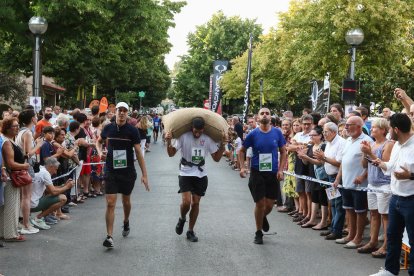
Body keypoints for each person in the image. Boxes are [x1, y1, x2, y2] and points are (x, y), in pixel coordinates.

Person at [96, 102, 149, 248]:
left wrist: (145, 175)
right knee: (111, 202)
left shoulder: (132, 131)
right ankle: (109, 236)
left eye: (125, 111)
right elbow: (98, 142)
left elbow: (138, 153)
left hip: (127, 171)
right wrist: (100, 153)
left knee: (126, 201)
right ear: (115, 111)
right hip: (111, 170)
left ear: (127, 113)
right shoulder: (108, 128)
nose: (121, 113)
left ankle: (126, 221)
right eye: (119, 110)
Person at [165, 117, 226, 242]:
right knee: (186, 202)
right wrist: (168, 142)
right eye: (195, 131)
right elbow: (171, 154)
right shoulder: (183, 137)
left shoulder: (207, 139)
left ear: (203, 129)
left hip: (201, 174)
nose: (197, 134)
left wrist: (223, 145)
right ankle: (182, 218)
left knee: (196, 203)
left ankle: (190, 231)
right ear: (191, 128)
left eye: (199, 131)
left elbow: (217, 158)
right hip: (185, 172)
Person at [370, 113, 414, 276]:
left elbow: (407, 173)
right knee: (392, 236)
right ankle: (390, 270)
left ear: (396, 129)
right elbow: (391, 166)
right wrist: (378, 161)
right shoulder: (396, 145)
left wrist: (409, 176)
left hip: (411, 200)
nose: (388, 132)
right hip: (395, 197)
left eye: (389, 128)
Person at [238, 107, 287, 244]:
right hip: (257, 171)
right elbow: (241, 151)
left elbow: (284, 152)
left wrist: (281, 170)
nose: (265, 115)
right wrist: (242, 167)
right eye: (262, 113)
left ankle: (262, 217)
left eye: (267, 113)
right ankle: (258, 232)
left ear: (270, 117)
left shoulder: (277, 133)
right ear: (258, 117)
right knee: (260, 203)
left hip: (272, 173)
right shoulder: (253, 134)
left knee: (270, 205)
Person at [333, 116, 372, 248]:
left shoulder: (367, 140)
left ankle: (358, 238)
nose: (346, 127)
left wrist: (363, 176)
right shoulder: (348, 140)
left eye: (350, 125)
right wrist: (338, 179)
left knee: (360, 212)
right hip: (346, 183)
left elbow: (372, 163)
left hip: (360, 185)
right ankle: (351, 234)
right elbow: (343, 162)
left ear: (359, 126)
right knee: (349, 210)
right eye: (346, 125)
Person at [359, 118, 394, 257]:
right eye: (372, 127)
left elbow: (385, 164)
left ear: (383, 130)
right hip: (372, 183)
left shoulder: (388, 144)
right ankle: (373, 241)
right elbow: (363, 165)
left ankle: (386, 245)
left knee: (385, 216)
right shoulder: (372, 143)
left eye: (374, 127)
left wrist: (371, 153)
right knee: (373, 213)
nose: (372, 129)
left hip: (384, 184)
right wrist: (364, 152)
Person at [314, 122, 346, 240]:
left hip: (338, 177)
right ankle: (333, 228)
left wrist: (324, 158)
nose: (324, 134)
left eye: (325, 132)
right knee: (332, 203)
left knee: (338, 204)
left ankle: (337, 230)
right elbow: (325, 160)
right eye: (323, 132)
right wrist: (320, 158)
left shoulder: (341, 143)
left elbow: (339, 163)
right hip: (329, 177)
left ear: (333, 132)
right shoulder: (328, 143)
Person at [0, 118, 29, 241]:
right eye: (15, 126)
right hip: (11, 178)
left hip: (12, 177)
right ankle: (10, 234)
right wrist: (25, 166)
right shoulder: (7, 142)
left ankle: (5, 232)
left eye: (18, 125)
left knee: (9, 206)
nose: (17, 128)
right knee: (11, 207)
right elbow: (10, 163)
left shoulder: (9, 140)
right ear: (7, 128)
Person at [30, 157, 74, 230]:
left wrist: (63, 186)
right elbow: (53, 192)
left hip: (29, 202)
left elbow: (49, 189)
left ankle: (43, 217)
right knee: (63, 198)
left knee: (53, 194)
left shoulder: (41, 169)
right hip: (33, 204)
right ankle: (38, 218)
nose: (55, 172)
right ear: (51, 166)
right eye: (55, 169)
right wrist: (67, 187)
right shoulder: (45, 173)